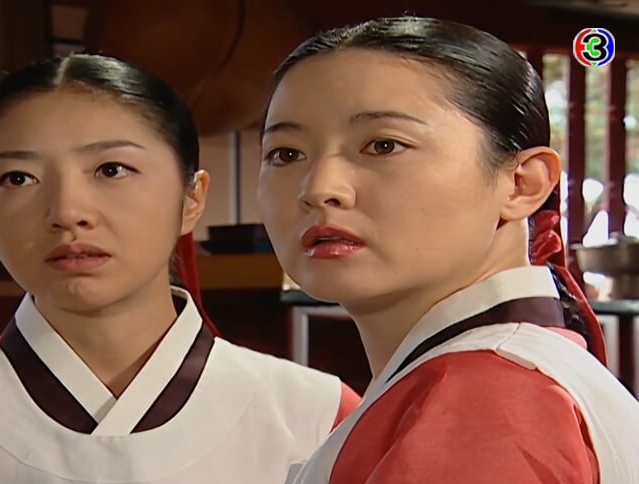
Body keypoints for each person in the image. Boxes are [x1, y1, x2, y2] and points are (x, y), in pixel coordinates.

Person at [0, 53, 359, 484]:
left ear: (192, 197)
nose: (67, 212)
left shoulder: (317, 415)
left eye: (111, 170)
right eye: (18, 178)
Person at [257, 16, 639, 484]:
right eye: (286, 154)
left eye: (383, 145)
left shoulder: (488, 398)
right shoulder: (499, 373)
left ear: (522, 183)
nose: (319, 188)